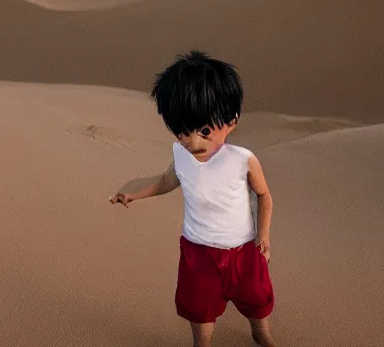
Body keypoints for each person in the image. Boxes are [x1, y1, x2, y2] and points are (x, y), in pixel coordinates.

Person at [110, 51, 277, 347]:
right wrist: (133, 194)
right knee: (199, 307)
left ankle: (260, 332)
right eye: (181, 132)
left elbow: (263, 195)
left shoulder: (243, 160)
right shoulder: (180, 155)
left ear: (232, 121)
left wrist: (263, 234)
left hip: (243, 250)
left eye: (203, 131)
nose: (192, 142)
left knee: (256, 297)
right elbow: (166, 181)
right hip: (198, 250)